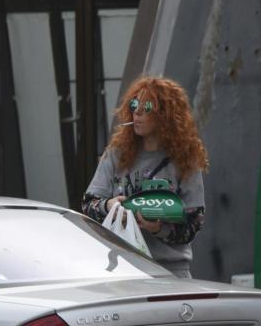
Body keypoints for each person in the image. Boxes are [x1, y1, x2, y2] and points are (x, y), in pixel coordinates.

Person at [82, 76, 209, 278]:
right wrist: (110, 206)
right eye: (134, 104)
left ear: (165, 115)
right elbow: (88, 205)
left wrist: (159, 228)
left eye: (147, 106)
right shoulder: (117, 153)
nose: (137, 112)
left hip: (170, 271)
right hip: (123, 270)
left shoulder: (185, 159)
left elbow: (194, 222)